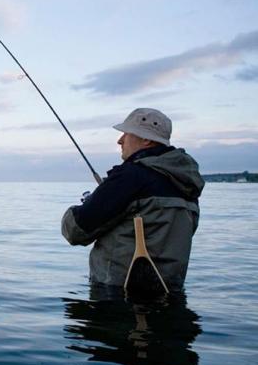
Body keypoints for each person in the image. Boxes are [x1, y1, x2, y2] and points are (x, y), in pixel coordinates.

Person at [61, 108, 205, 290]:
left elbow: (75, 231)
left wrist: (89, 204)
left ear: (145, 140)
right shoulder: (186, 185)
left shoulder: (130, 177)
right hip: (170, 294)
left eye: (126, 134)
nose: (120, 140)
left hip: (118, 298)